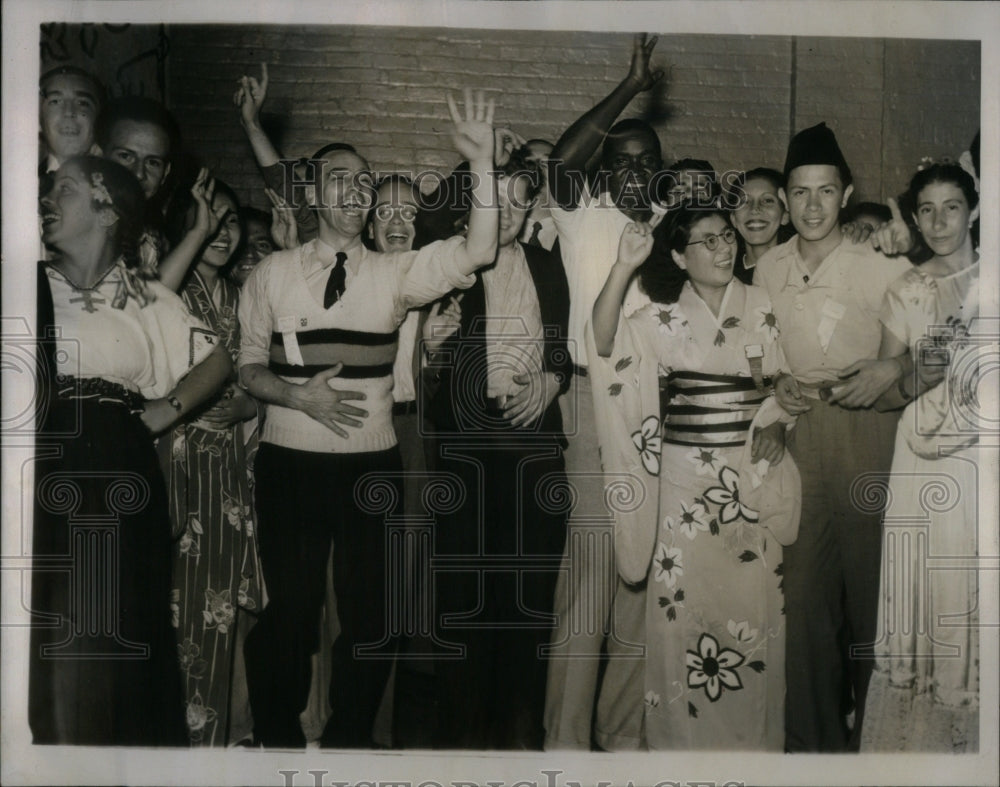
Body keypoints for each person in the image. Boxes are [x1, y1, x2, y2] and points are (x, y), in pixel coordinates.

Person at [237, 88, 499, 749]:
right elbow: (245, 368)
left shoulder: (396, 272)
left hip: (370, 468)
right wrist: (298, 397)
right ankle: (277, 744)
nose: (354, 191)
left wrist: (483, 166)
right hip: (290, 465)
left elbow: (478, 251)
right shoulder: (271, 272)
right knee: (291, 614)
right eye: (339, 180)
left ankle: (351, 743)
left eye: (363, 181)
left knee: (370, 619)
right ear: (315, 195)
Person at [31, 155, 232, 745]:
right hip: (43, 458)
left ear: (105, 208)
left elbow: (217, 359)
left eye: (63, 189)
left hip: (118, 461)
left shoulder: (147, 296)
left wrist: (162, 412)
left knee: (111, 629)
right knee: (54, 629)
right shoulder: (27, 284)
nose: (47, 198)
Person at [590, 205, 795, 749]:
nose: (724, 248)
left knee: (750, 606)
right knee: (682, 611)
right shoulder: (663, 319)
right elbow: (605, 342)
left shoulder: (761, 304)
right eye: (706, 242)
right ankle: (681, 749)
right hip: (684, 483)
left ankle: (753, 751)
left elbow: (783, 385)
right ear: (679, 257)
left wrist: (780, 422)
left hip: (749, 474)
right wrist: (621, 269)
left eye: (726, 236)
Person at [753, 122, 913, 751]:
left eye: (825, 191)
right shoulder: (767, 268)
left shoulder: (882, 266)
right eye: (799, 192)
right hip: (799, 437)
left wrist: (894, 367)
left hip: (868, 434)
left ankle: (876, 746)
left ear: (847, 195)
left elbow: (935, 344)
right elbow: (757, 352)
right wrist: (776, 385)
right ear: (786, 199)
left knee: (873, 598)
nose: (812, 205)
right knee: (806, 605)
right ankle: (812, 749)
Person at [421, 148, 571, 748]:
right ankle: (462, 747)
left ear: (531, 205)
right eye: (493, 198)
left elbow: (568, 336)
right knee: (465, 604)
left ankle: (520, 745)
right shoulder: (450, 260)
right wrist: (433, 349)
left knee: (530, 603)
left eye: (517, 199)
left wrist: (553, 377)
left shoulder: (551, 263)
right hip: (467, 448)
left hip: (534, 446)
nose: (505, 212)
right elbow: (426, 346)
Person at [543, 32, 665, 752]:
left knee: (642, 571)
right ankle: (564, 743)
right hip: (591, 402)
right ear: (603, 172)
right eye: (620, 162)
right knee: (590, 571)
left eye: (647, 163)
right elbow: (561, 160)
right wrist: (629, 87)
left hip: (656, 415)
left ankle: (620, 740)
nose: (633, 174)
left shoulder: (670, 231)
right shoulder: (580, 215)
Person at [861, 162, 983, 753]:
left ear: (975, 209)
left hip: (985, 466)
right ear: (913, 217)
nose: (938, 222)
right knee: (928, 600)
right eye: (926, 210)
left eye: (952, 207)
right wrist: (913, 377)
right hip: (924, 466)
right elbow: (882, 397)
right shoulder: (905, 289)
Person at [160, 179, 263, 745]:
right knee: (179, 613)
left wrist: (243, 404)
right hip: (179, 468)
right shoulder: (168, 286)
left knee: (222, 617)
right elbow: (148, 318)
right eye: (209, 220)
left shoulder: (237, 297)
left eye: (230, 221)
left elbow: (253, 385)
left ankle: (217, 746)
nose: (224, 233)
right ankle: (181, 749)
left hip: (226, 473)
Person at [38, 66, 104, 175]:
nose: (69, 112)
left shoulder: (118, 179)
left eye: (82, 103)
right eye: (55, 102)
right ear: (39, 117)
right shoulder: (22, 179)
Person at [730, 167, 791, 284]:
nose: (755, 209)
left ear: (785, 216)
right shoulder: (723, 277)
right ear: (733, 219)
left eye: (767, 200)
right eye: (745, 201)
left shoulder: (798, 272)